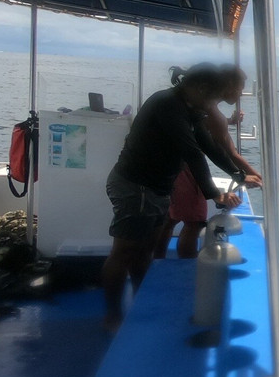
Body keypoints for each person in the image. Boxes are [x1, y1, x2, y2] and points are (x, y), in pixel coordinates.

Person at [101, 64, 245, 332]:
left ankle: (140, 302)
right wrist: (215, 194)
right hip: (135, 187)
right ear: (201, 89)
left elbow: (207, 144)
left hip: (157, 188)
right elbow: (192, 152)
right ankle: (112, 317)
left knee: (146, 250)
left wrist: (238, 174)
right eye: (212, 99)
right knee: (123, 253)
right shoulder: (167, 104)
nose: (212, 106)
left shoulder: (190, 107)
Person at [154, 65, 262, 259]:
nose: (240, 95)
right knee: (194, 221)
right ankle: (187, 265)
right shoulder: (208, 109)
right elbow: (229, 153)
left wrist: (229, 122)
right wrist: (258, 178)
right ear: (227, 86)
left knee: (171, 218)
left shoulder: (207, 108)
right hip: (187, 168)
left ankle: (157, 259)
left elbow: (209, 135)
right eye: (239, 88)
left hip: (176, 165)